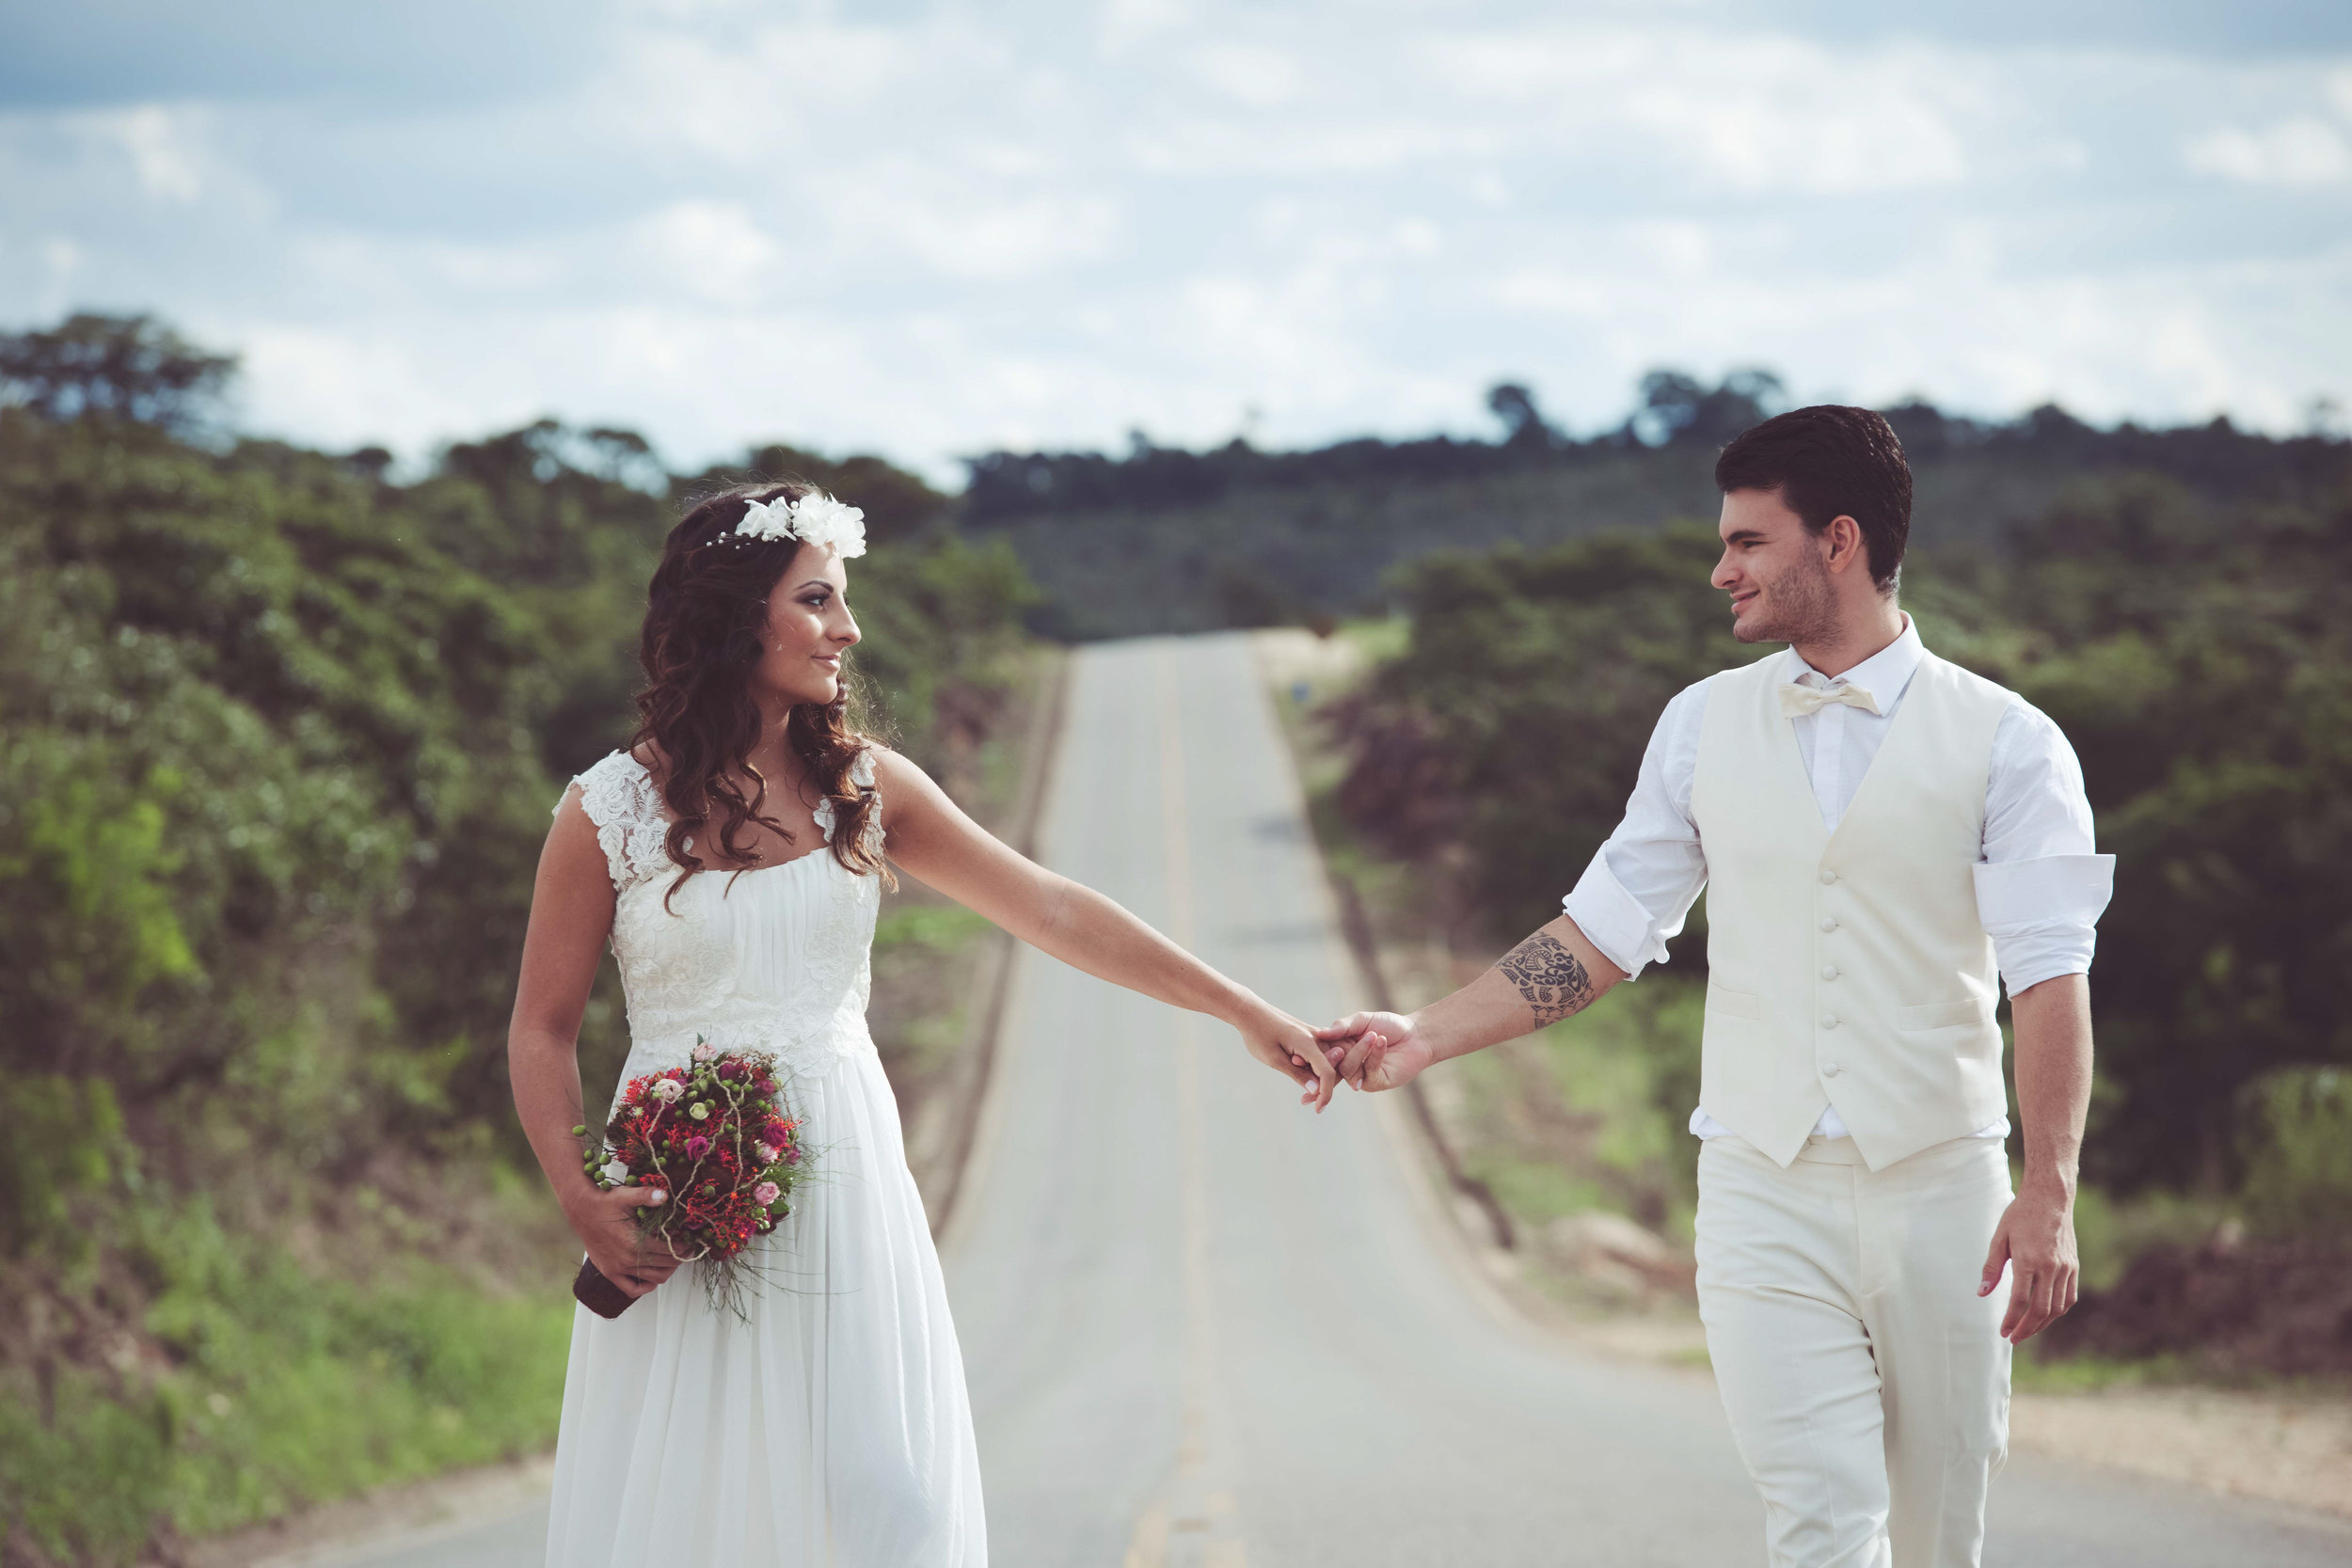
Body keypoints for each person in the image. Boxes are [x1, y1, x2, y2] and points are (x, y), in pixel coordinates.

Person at [1316, 405, 2111, 1568]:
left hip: (1945, 1193)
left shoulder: (2012, 742)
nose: (1717, 568)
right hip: (1759, 1188)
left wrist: (2048, 1189)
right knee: (1822, 1520)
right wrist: (1425, 1035)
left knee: (1944, 1532)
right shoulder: (1698, 725)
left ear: (1835, 542)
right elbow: (1598, 931)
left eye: (1746, 541)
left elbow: (2049, 976)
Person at [507, 483, 1337, 1567]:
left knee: (881, 1497)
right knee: (703, 1510)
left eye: (843, 600)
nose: (847, 628)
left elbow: (1047, 904)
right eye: (817, 600)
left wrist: (1239, 1004)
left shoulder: (863, 786)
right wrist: (580, 1195)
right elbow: (541, 1026)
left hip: (847, 1183)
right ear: (732, 616)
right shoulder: (607, 809)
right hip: (681, 1201)